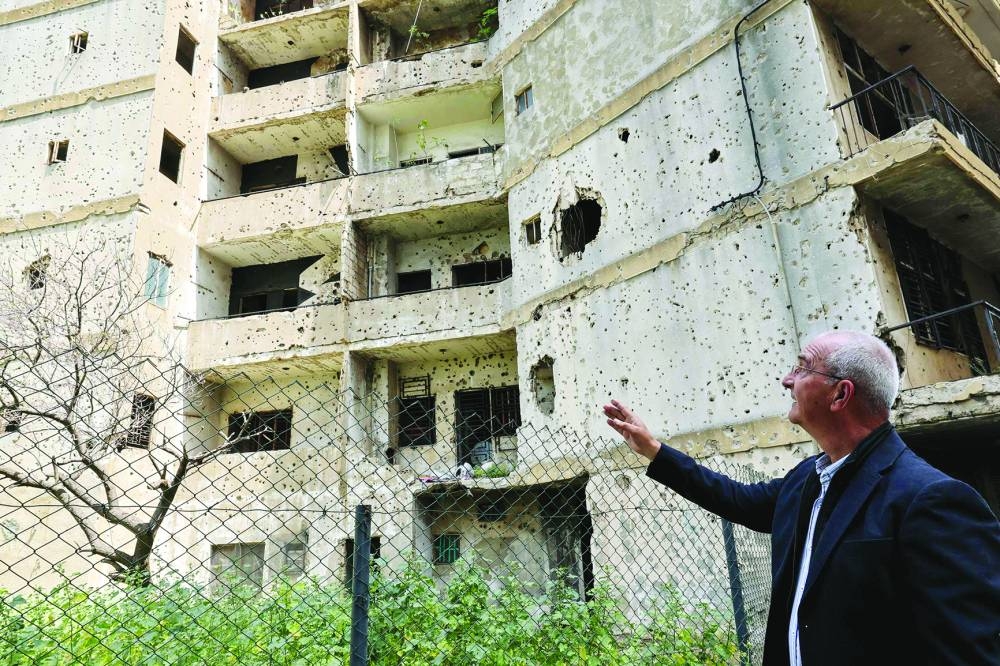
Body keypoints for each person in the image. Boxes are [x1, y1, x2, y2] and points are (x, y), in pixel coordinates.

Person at [604, 330, 1000, 666]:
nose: (786, 379)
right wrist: (654, 450)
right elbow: (735, 499)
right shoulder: (805, 480)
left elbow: (968, 652)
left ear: (840, 395)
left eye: (802, 367)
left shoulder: (931, 499)